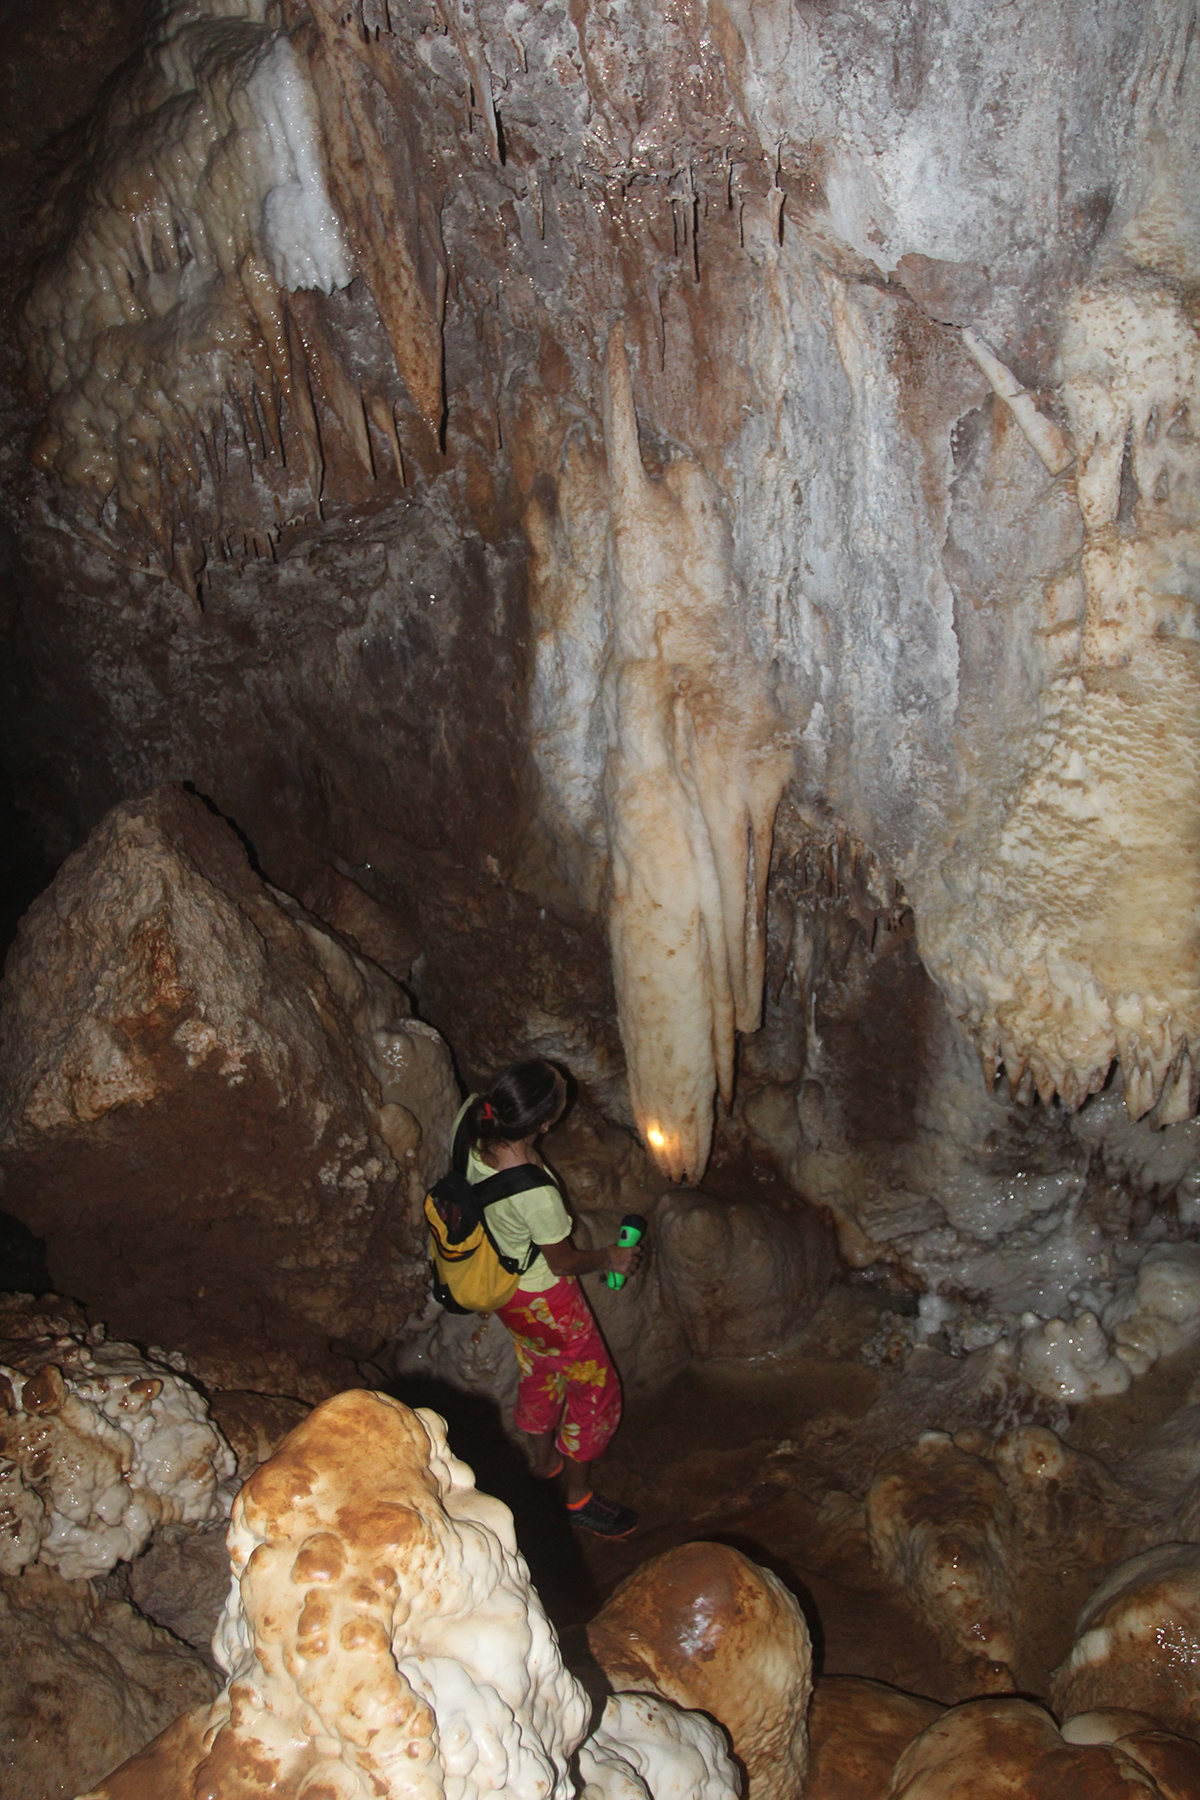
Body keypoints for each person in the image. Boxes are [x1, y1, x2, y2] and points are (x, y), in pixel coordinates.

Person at [455, 1057, 642, 1539]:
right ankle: (577, 1499)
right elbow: (561, 1261)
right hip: (545, 1297)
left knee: (539, 1369)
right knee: (595, 1390)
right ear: (543, 1124)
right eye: (560, 1090)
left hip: (504, 1290)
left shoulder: (473, 1117)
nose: (566, 1081)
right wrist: (609, 1259)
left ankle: (543, 1465)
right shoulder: (535, 1193)